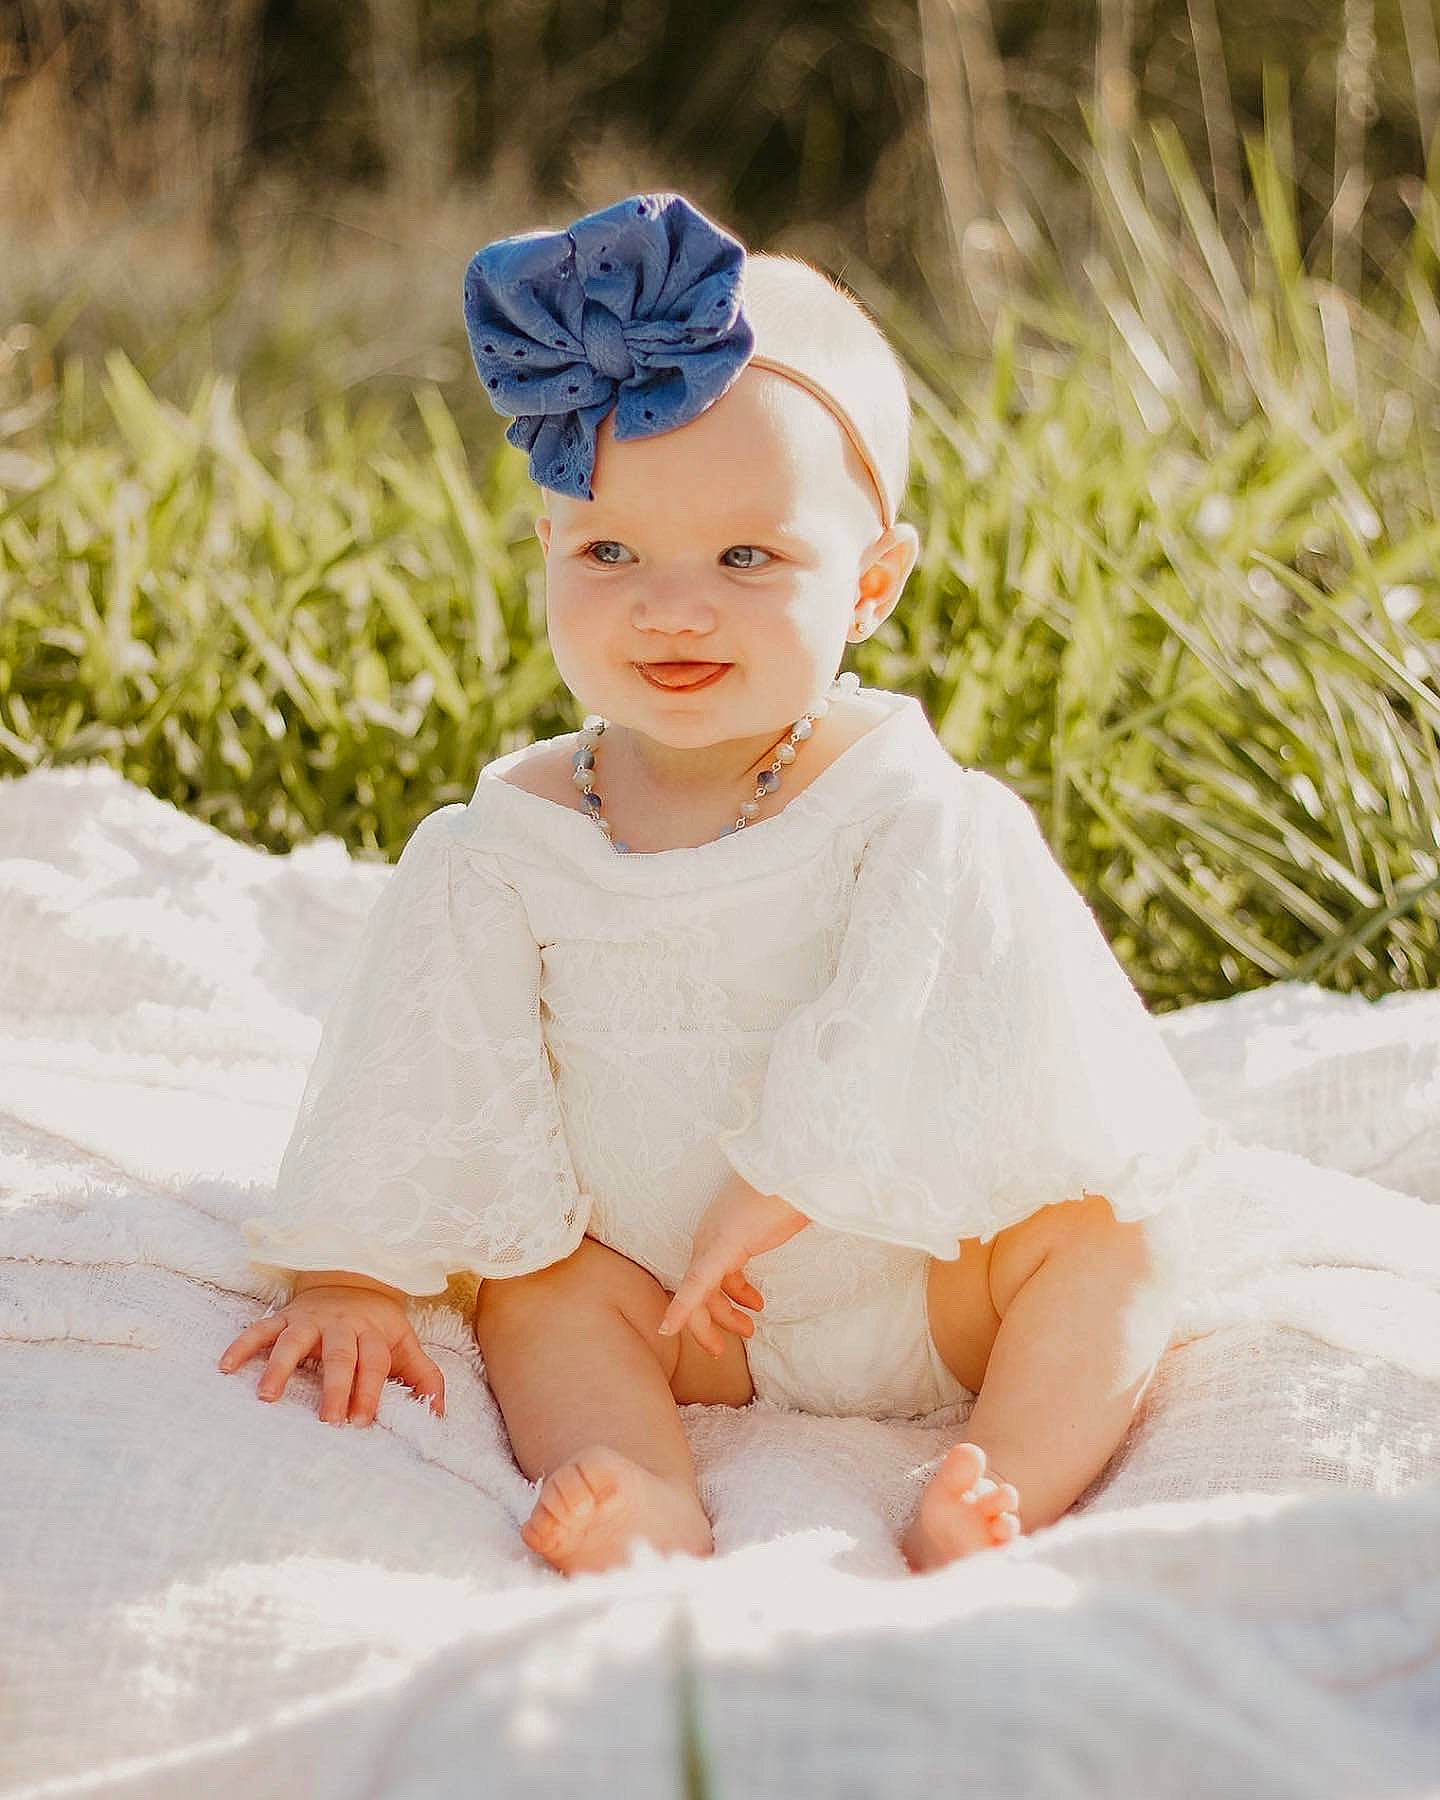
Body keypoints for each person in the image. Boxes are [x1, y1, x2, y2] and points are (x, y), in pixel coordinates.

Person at [218, 192, 1232, 1578]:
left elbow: (940, 995)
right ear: (547, 553)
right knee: (538, 1287)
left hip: (918, 1269)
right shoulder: (508, 838)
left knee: (1114, 1238)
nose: (672, 605)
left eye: (747, 558)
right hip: (674, 1308)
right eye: (610, 552)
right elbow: (421, 1046)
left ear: (872, 583)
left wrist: (787, 1174)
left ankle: (996, 1479)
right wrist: (352, 1263)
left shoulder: (904, 800)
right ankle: (645, 1487)